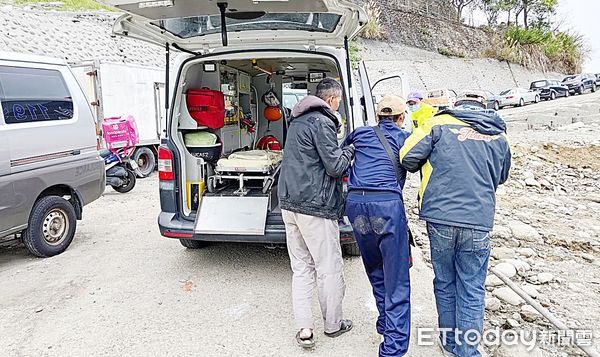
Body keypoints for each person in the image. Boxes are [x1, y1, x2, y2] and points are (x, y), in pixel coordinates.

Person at [399, 103, 511, 357]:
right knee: (472, 286)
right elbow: (502, 175)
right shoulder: (499, 134)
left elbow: (407, 157)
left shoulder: (438, 124)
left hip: (440, 217)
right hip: (478, 219)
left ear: (457, 107)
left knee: (445, 281)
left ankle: (449, 343)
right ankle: (468, 350)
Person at [278, 78, 355, 348]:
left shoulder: (297, 121)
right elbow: (335, 166)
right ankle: (333, 325)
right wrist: (350, 150)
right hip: (315, 207)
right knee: (328, 267)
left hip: (289, 204)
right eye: (339, 102)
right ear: (332, 100)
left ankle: (305, 331)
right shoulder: (322, 122)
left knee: (300, 269)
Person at [343, 95, 411, 357]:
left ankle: (385, 322)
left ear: (376, 117)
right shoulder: (404, 138)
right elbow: (414, 163)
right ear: (401, 117)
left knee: (374, 266)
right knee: (397, 278)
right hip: (386, 206)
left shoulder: (359, 133)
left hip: (357, 205)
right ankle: (393, 349)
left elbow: (343, 155)